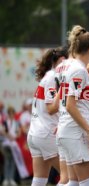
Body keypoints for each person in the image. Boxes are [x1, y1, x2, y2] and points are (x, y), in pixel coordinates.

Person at [56, 25, 89, 186]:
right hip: (75, 132)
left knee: (72, 182)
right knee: (88, 182)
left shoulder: (69, 67)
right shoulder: (79, 70)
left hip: (68, 129)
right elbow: (70, 105)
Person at [27, 47, 68, 186]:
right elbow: (51, 108)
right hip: (46, 134)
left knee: (39, 179)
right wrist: (64, 88)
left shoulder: (47, 77)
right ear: (62, 60)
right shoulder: (52, 77)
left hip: (36, 134)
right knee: (68, 177)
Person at [1, 106, 20, 186]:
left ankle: (11, 179)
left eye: (12, 113)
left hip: (14, 144)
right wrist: (9, 136)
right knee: (7, 161)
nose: (11, 115)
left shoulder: (16, 122)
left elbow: (19, 132)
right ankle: (6, 179)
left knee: (13, 161)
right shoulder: (5, 122)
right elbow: (2, 132)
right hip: (6, 144)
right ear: (8, 114)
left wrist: (15, 137)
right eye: (10, 113)